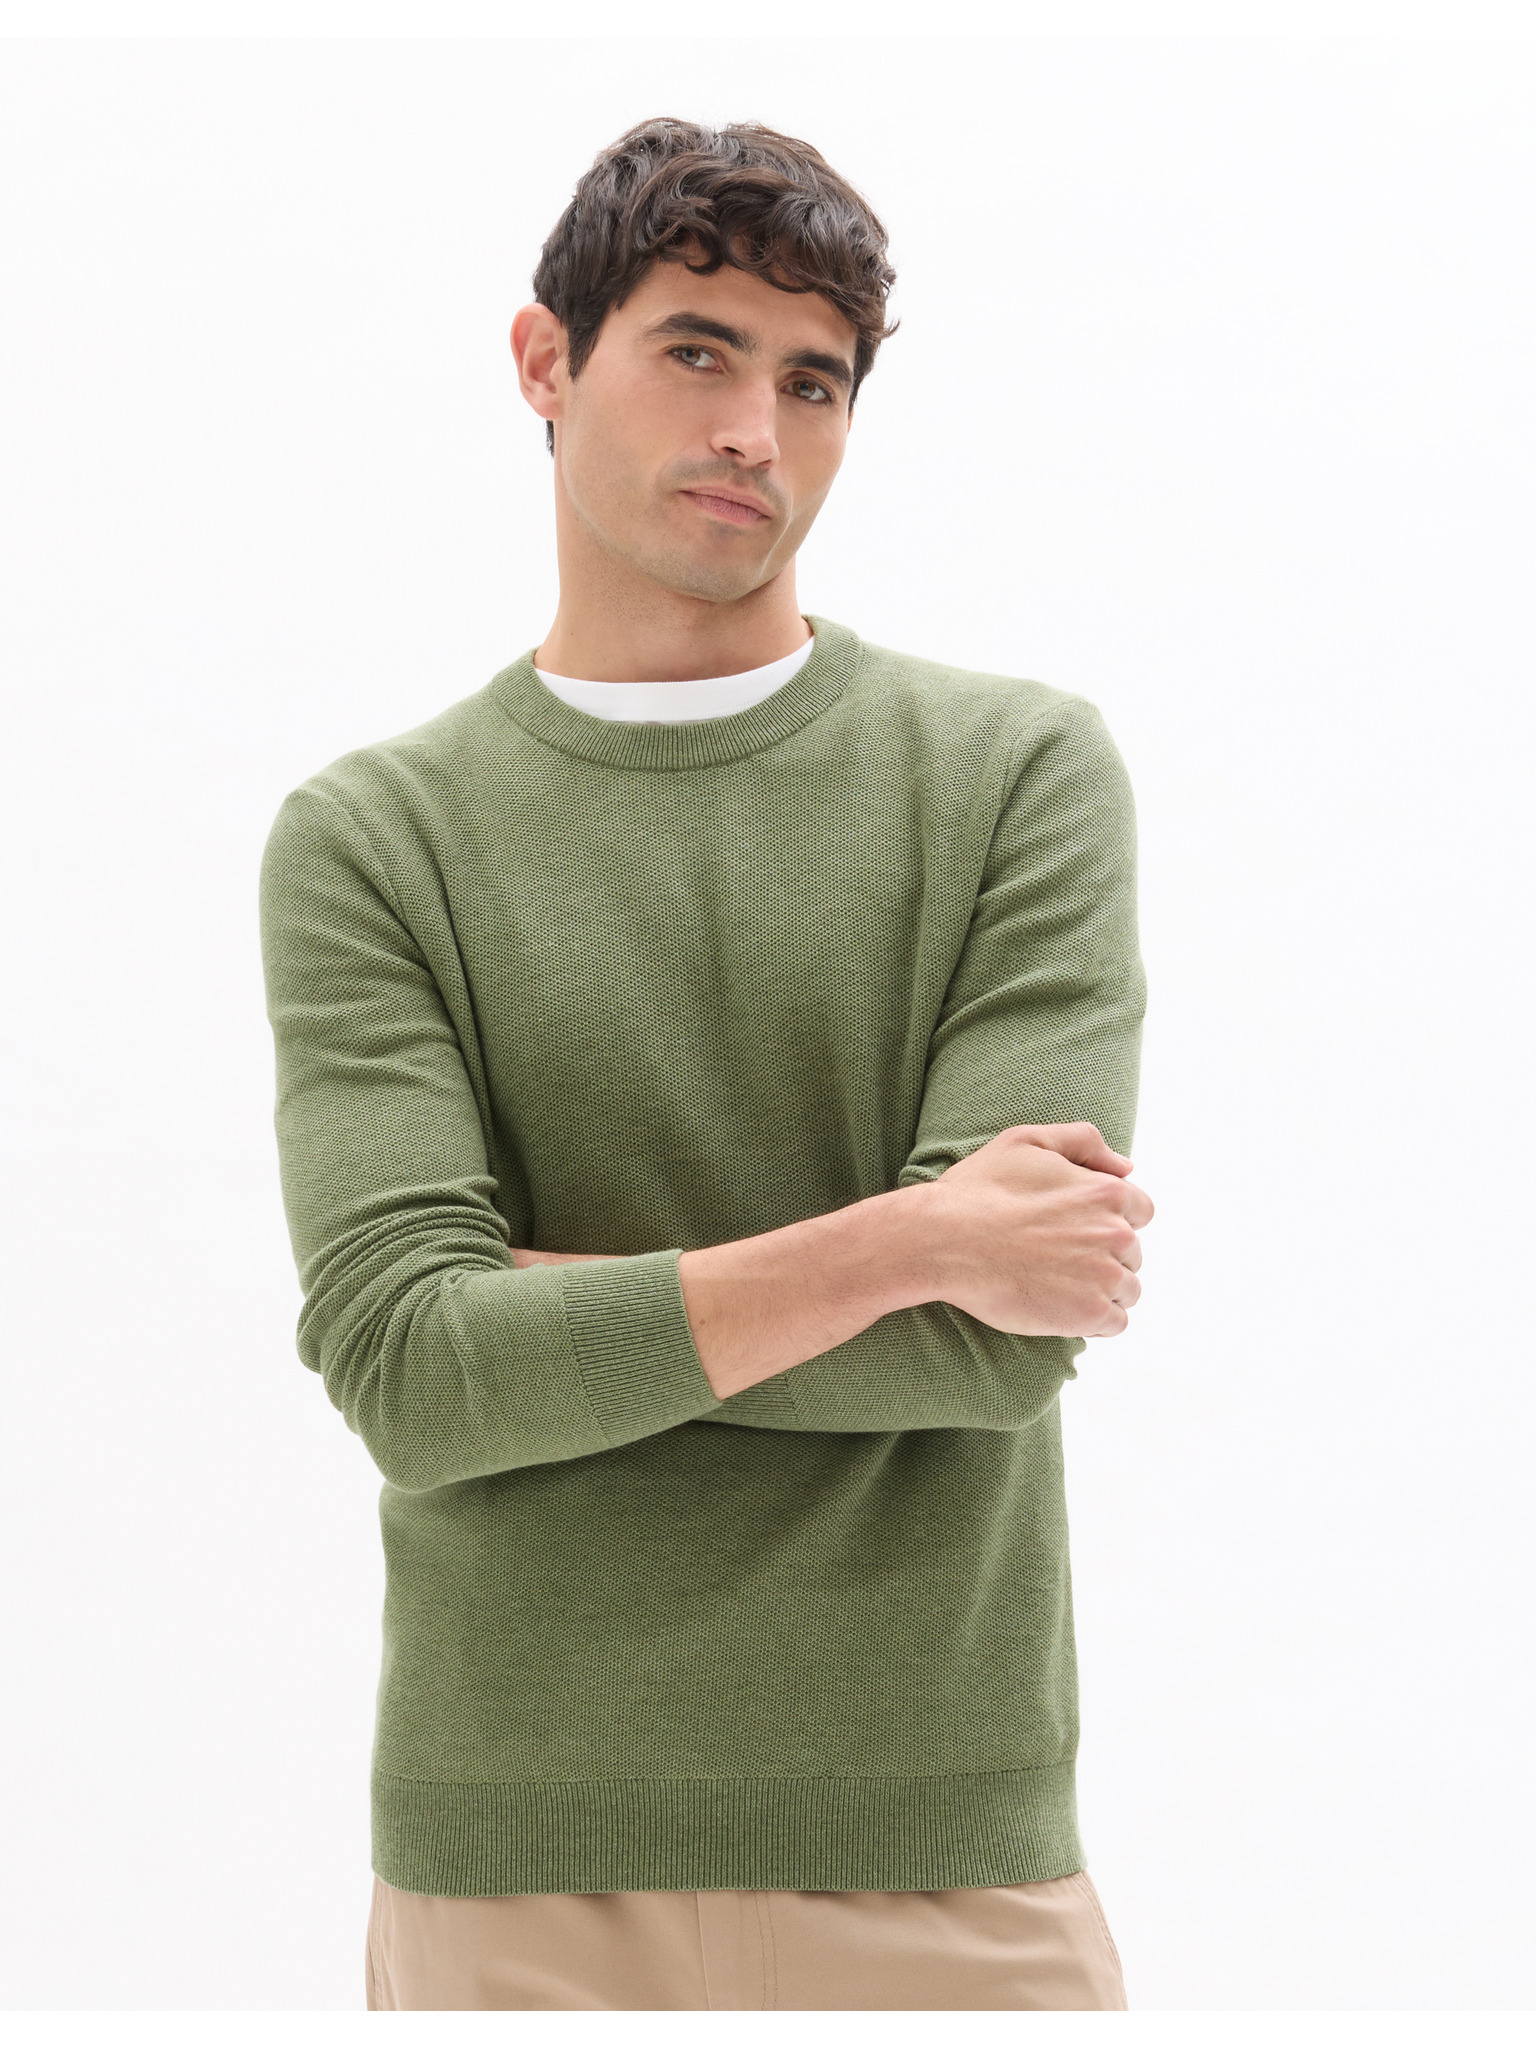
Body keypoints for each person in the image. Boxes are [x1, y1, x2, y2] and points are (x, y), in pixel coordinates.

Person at [259, 114, 1152, 2013]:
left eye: (812, 380)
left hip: (946, 1855)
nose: (757, 426)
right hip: (513, 1874)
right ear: (544, 362)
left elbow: (1002, 1344)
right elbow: (413, 1368)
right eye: (696, 349)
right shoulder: (377, 840)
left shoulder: (1012, 776)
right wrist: (913, 1242)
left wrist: (549, 1317)